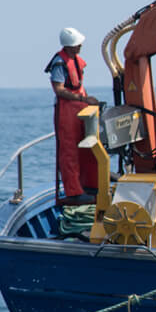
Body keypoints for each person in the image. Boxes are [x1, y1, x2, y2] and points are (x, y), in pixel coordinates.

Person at [46, 26, 100, 203]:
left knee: (88, 147)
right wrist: (83, 99)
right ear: (69, 46)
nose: (80, 47)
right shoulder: (59, 63)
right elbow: (59, 90)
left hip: (80, 110)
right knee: (69, 151)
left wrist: (87, 101)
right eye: (77, 44)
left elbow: (79, 86)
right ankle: (74, 192)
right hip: (66, 112)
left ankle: (90, 185)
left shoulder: (76, 60)